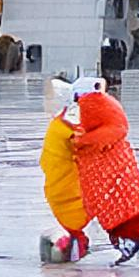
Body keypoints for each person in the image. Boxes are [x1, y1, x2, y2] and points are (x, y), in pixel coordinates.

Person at [72, 84, 139, 263]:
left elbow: (94, 133)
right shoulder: (107, 105)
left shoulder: (90, 106)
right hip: (116, 163)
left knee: (115, 210)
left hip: (103, 164)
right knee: (125, 204)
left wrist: (80, 142)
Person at [38, 76, 101, 264]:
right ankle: (71, 244)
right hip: (68, 190)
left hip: (60, 188)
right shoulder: (72, 123)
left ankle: (73, 243)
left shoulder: (64, 120)